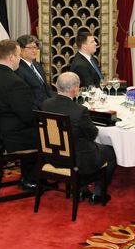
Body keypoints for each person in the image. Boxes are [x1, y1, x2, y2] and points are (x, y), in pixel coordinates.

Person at [42, 72, 116, 204]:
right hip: (77, 160)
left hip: (51, 156)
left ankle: (82, 190)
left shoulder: (45, 104)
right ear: (74, 89)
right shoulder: (80, 110)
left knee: (78, 143)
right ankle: (99, 194)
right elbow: (92, 134)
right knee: (109, 151)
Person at [0, 39, 38, 189]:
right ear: (12, 56)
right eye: (19, 55)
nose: (20, 59)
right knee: (51, 137)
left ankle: (28, 177)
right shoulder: (15, 82)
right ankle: (31, 179)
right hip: (12, 137)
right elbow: (28, 116)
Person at [15, 35, 53, 108]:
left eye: (35, 47)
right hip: (37, 109)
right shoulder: (18, 68)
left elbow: (47, 88)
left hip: (48, 103)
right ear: (20, 50)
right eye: (30, 48)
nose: (34, 50)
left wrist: (56, 101)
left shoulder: (38, 65)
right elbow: (27, 96)